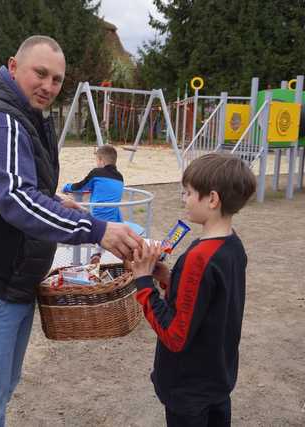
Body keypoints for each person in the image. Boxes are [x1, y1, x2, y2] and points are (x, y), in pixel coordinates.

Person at [0, 35, 142, 426]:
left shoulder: (24, 117)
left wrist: (58, 202)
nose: (48, 86)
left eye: (57, 80)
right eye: (39, 73)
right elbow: (15, 198)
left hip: (6, 282)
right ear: (13, 66)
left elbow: (21, 191)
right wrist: (96, 229)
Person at [128, 153, 256, 427]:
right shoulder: (233, 246)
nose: (183, 198)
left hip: (188, 388)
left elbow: (174, 335)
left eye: (187, 193)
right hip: (217, 380)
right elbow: (208, 301)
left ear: (212, 199)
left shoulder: (199, 258)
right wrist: (169, 279)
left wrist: (143, 283)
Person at [62, 144, 124, 262]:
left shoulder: (97, 172)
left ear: (100, 160)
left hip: (98, 215)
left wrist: (66, 187)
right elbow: (103, 188)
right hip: (113, 216)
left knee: (79, 215)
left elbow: (79, 187)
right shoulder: (120, 177)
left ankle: (85, 257)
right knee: (115, 218)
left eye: (97, 160)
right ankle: (99, 253)